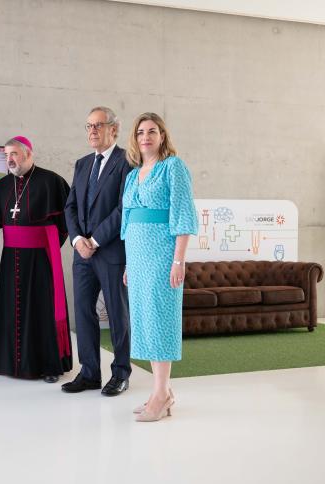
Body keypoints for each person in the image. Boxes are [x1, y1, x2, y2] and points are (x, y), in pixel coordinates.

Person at [121, 112, 198, 422]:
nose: (145, 137)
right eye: (140, 132)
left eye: (152, 131)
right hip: (137, 257)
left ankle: (161, 395)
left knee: (160, 319)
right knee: (145, 321)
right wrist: (129, 263)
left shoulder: (173, 167)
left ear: (162, 136)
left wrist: (178, 259)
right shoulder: (133, 174)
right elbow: (127, 223)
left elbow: (183, 215)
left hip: (162, 253)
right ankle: (159, 392)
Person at [0, 136, 72, 383]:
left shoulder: (51, 181)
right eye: (6, 155)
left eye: (13, 154)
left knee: (41, 310)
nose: (9, 159)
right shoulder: (2, 186)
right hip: (10, 258)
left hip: (40, 259)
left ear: (28, 153)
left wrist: (47, 246)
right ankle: (8, 363)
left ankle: (48, 366)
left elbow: (67, 221)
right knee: (10, 309)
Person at [62, 106, 132, 397]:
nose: (92, 131)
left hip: (111, 250)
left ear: (113, 129)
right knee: (83, 312)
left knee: (117, 313)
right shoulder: (81, 164)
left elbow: (124, 207)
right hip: (82, 253)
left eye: (98, 125)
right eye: (88, 126)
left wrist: (95, 240)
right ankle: (89, 372)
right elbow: (71, 206)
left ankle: (121, 373)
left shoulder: (127, 161)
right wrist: (78, 239)